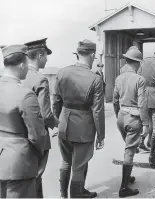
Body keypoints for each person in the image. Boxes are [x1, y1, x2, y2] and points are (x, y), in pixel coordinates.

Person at [53, 39, 105, 198]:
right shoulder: (95, 78)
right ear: (92, 55)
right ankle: (77, 195)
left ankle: (64, 194)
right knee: (79, 165)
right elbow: (97, 111)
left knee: (67, 162)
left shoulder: (62, 72)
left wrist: (58, 122)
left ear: (77, 54)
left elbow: (55, 101)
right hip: (84, 128)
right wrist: (101, 135)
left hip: (64, 123)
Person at [0, 44, 46, 198]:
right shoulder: (25, 94)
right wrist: (41, 156)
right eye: (27, 64)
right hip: (19, 164)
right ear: (21, 65)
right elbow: (37, 135)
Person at [21, 38, 59, 198]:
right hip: (36, 137)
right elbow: (45, 114)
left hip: (16, 135)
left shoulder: (17, 77)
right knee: (36, 176)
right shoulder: (40, 79)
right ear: (40, 56)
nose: (47, 59)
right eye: (46, 56)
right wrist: (58, 124)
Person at [113, 47, 149, 197]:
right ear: (137, 63)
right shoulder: (140, 79)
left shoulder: (119, 78)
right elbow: (142, 104)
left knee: (129, 149)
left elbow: (115, 100)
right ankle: (123, 188)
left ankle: (127, 177)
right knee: (130, 152)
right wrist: (146, 124)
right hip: (134, 118)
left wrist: (118, 115)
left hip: (121, 116)